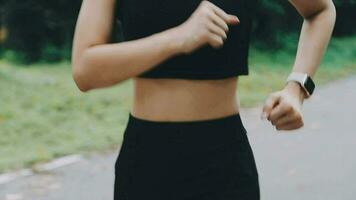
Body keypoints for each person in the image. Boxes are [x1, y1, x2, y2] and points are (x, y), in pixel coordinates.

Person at [71, 0, 336, 199]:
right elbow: (85, 69)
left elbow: (321, 10)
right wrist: (178, 38)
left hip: (223, 162)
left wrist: (297, 88)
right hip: (146, 161)